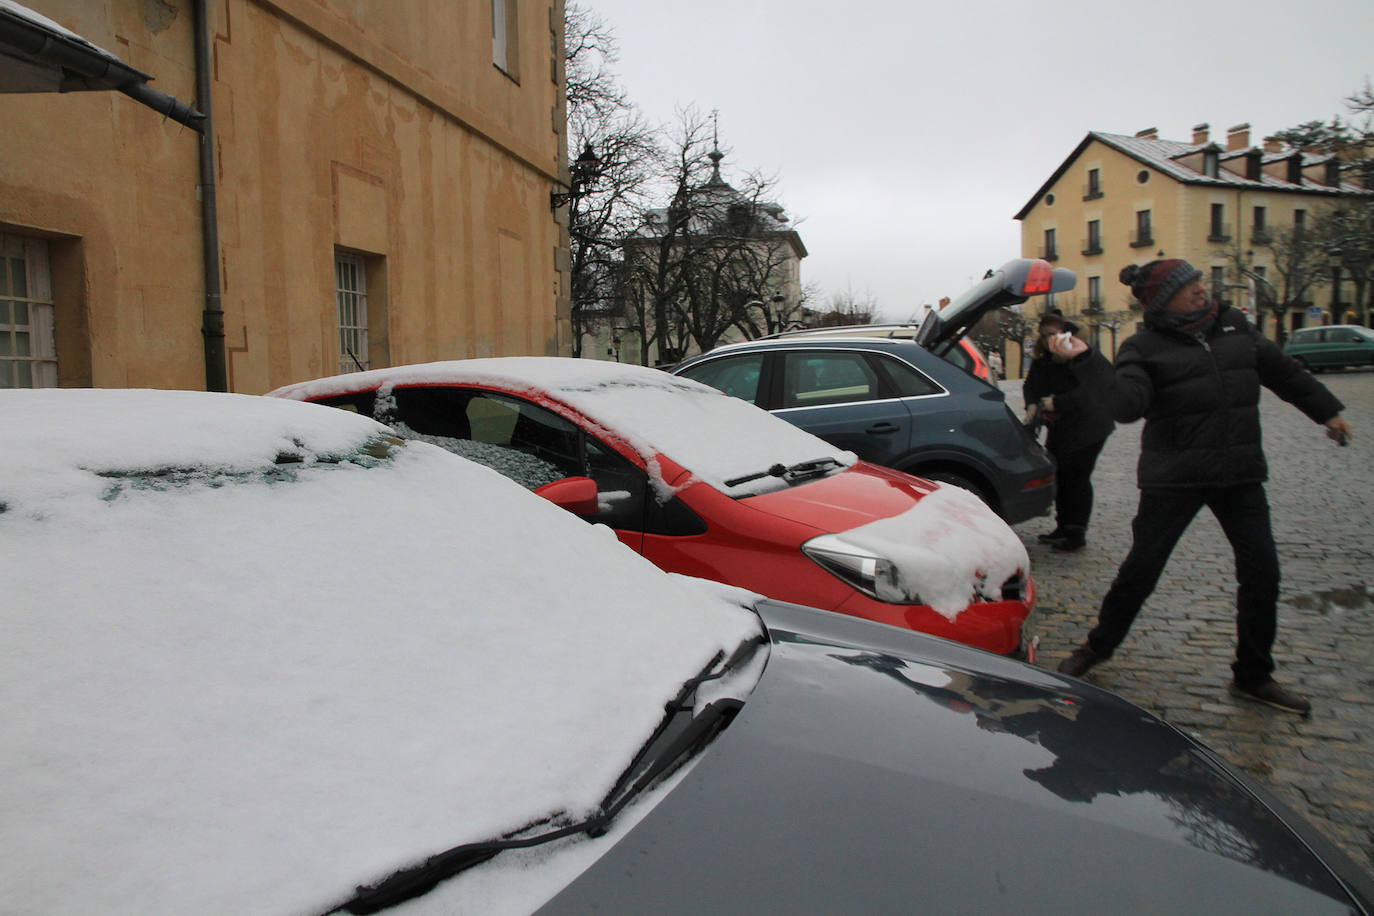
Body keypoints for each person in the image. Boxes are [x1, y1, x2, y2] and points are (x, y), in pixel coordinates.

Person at [1051, 259, 1352, 716]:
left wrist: (1326, 411)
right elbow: (1127, 406)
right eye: (1187, 286)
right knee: (1142, 569)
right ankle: (1097, 646)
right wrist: (1086, 359)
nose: (1198, 290)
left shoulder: (1234, 326)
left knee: (1262, 573)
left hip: (1239, 474)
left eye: (1196, 282)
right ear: (1161, 300)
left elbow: (1283, 372)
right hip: (1175, 478)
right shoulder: (1143, 347)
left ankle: (1253, 675)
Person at [1022, 312, 1115, 551]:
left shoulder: (1080, 355)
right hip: (1062, 426)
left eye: (1052, 334)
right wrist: (1032, 403)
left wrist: (1058, 403)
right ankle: (1063, 526)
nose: (1047, 340)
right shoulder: (1043, 359)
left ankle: (1076, 532)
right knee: (1061, 475)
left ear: (1065, 333)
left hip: (1089, 425)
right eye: (1043, 336)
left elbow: (1092, 390)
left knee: (1077, 477)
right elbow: (1031, 384)